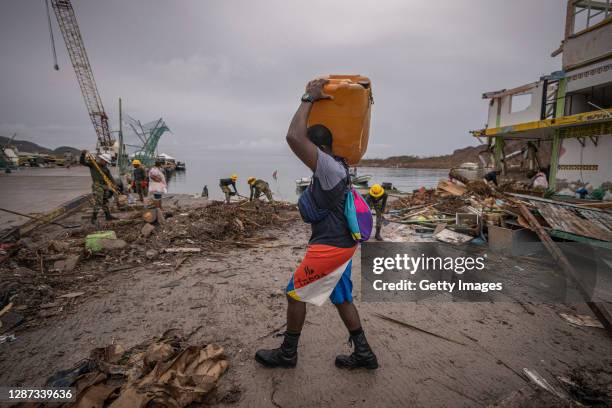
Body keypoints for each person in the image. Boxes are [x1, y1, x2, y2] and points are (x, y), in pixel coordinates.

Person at [255, 78, 378, 370]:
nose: (305, 154)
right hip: (343, 243)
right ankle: (364, 354)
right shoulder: (338, 167)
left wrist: (308, 98)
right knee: (341, 296)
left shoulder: (326, 165)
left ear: (319, 147)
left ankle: (288, 354)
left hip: (330, 247)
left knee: (294, 293)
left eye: (311, 147)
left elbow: (293, 137)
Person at [80, 150, 117, 224]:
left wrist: (115, 185)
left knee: (105, 201)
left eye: (107, 162)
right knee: (98, 202)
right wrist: (83, 154)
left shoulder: (106, 169)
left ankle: (108, 216)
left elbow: (110, 178)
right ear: (101, 159)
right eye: (105, 161)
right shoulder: (93, 164)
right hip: (97, 186)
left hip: (104, 186)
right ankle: (93, 218)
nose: (106, 163)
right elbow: (82, 162)